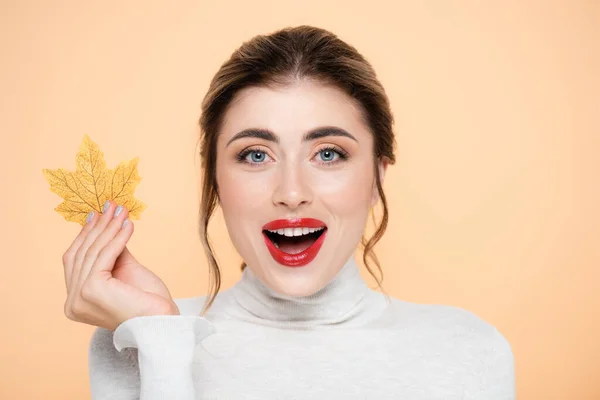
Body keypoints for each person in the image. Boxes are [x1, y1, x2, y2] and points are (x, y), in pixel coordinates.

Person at [63, 25, 515, 399]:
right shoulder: (141, 336)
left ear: (378, 176)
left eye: (329, 153)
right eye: (256, 155)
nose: (292, 192)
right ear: (215, 180)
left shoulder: (468, 349)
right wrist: (160, 340)